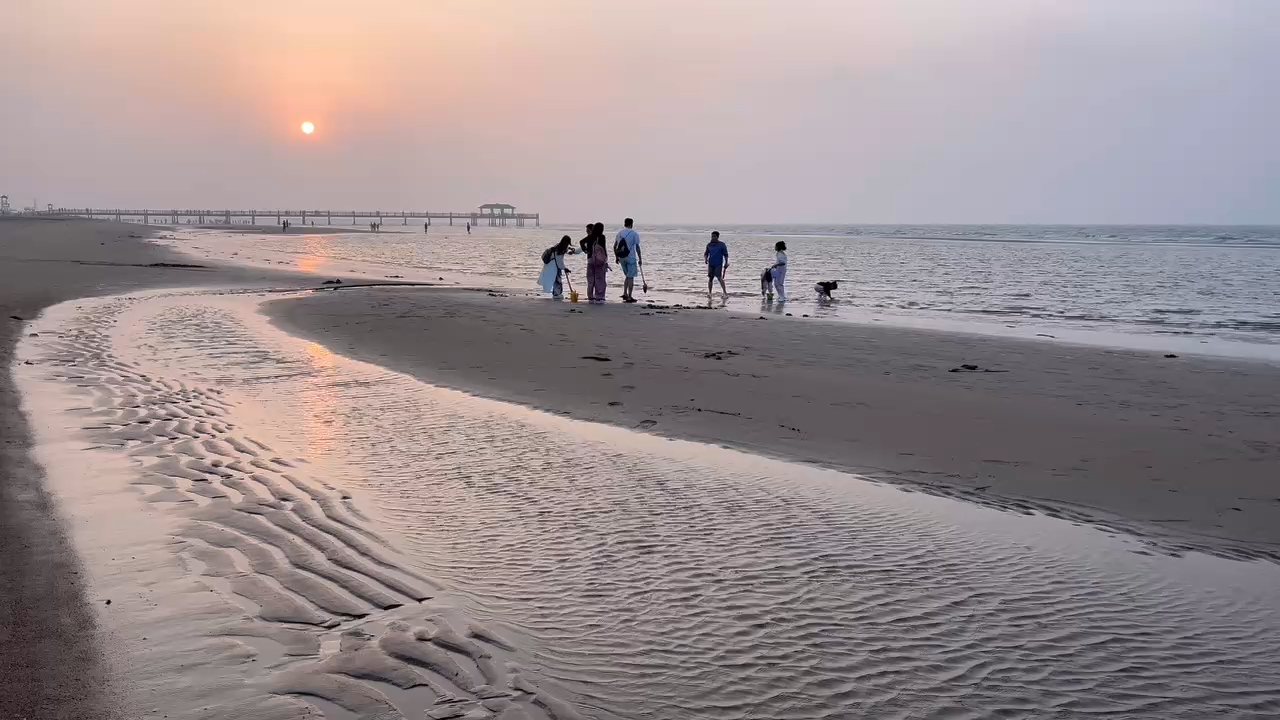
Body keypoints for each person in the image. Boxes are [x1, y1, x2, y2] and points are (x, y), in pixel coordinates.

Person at [614, 218, 642, 303]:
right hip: (630, 257)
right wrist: (640, 258)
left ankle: (624, 293)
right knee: (630, 277)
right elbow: (637, 247)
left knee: (627, 276)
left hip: (622, 257)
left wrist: (616, 257)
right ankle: (629, 296)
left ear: (624, 224)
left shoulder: (619, 233)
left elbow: (614, 246)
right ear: (632, 224)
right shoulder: (634, 234)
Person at [586, 222, 609, 302]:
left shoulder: (590, 237)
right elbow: (603, 248)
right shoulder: (601, 237)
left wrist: (586, 251)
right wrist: (606, 259)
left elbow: (582, 242)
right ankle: (599, 296)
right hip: (599, 261)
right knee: (600, 278)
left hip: (590, 260)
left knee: (591, 279)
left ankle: (590, 296)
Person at [704, 230, 729, 299]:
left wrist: (726, 262)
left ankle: (725, 293)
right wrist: (706, 259)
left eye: (714, 236)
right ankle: (709, 293)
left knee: (719, 278)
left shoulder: (722, 245)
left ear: (717, 237)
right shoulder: (709, 245)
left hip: (718, 263)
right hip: (711, 263)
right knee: (710, 278)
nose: (712, 238)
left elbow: (726, 255)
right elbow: (706, 253)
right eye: (712, 236)